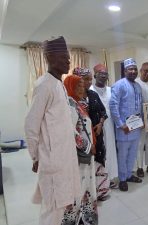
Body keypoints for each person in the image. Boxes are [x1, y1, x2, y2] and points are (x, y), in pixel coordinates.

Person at [24, 36, 81, 225]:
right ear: (49, 57)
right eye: (63, 56)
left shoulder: (59, 84)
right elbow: (31, 125)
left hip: (65, 157)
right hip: (52, 159)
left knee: (63, 204)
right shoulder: (44, 85)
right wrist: (35, 157)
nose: (68, 60)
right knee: (52, 209)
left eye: (68, 57)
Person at [62, 75, 98, 225]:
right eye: (77, 85)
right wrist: (89, 147)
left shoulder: (77, 104)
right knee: (79, 188)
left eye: (82, 86)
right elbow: (71, 131)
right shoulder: (69, 105)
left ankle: (84, 219)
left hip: (85, 155)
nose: (81, 88)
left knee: (85, 187)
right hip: (79, 156)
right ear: (69, 86)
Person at [73, 67, 110, 201]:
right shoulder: (72, 98)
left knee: (99, 163)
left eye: (90, 78)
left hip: (97, 137)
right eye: (86, 79)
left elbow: (103, 112)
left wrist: (100, 124)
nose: (89, 82)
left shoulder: (93, 95)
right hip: (82, 140)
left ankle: (101, 192)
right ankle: (87, 195)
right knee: (85, 168)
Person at [109, 58, 143, 191]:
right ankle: (122, 178)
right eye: (130, 69)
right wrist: (121, 124)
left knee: (133, 153)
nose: (133, 71)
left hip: (135, 127)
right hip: (124, 129)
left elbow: (139, 106)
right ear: (125, 71)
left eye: (135, 69)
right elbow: (113, 105)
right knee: (122, 155)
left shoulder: (138, 86)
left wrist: (141, 121)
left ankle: (129, 174)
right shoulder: (119, 85)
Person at [90, 63, 119, 189]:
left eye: (105, 73)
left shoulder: (111, 90)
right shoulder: (90, 91)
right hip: (96, 127)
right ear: (94, 75)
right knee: (99, 153)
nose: (103, 76)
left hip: (110, 126)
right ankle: (99, 181)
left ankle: (110, 178)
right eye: (100, 73)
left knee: (111, 152)